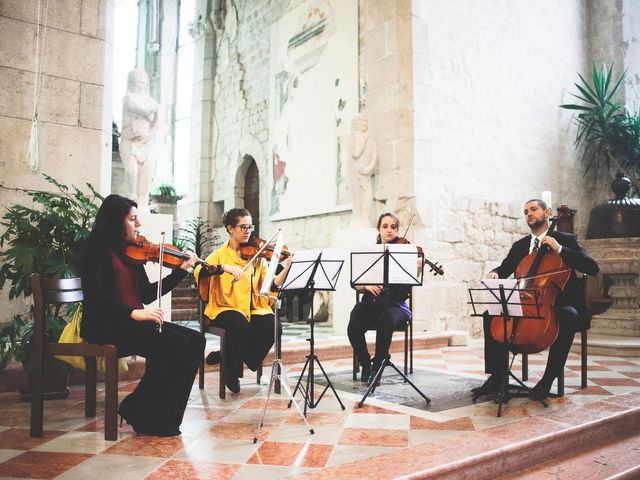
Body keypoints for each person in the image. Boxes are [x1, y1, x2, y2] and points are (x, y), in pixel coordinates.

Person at [80, 194, 205, 437]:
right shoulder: (94, 247)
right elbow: (94, 294)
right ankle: (141, 409)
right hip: (108, 325)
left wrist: (180, 272)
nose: (138, 225)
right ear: (115, 221)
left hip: (132, 323)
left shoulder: (131, 251)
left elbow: (146, 293)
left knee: (196, 341)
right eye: (132, 219)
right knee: (175, 343)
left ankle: (161, 415)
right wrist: (133, 313)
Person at [474, 199, 599, 400]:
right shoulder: (521, 246)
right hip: (528, 303)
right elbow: (504, 268)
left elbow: (592, 268)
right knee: (491, 314)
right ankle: (497, 376)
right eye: (526, 211)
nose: (529, 214)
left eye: (533, 209)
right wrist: (494, 273)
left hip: (560, 304)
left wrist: (560, 249)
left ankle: (547, 380)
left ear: (547, 212)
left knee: (567, 316)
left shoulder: (565, 240)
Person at [195, 208, 291, 393]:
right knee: (240, 326)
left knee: (273, 325)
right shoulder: (220, 255)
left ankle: (229, 356)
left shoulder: (258, 257)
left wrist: (286, 270)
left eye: (250, 226)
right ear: (230, 228)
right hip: (224, 308)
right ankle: (232, 373)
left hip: (252, 307)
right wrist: (224, 268)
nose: (248, 231)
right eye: (243, 227)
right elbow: (200, 270)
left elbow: (270, 286)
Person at [348, 212, 413, 382]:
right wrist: (366, 285)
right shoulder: (370, 253)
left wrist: (417, 268)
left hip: (396, 306)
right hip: (372, 304)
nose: (389, 230)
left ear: (398, 230)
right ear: (379, 229)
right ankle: (365, 363)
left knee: (387, 318)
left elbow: (408, 284)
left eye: (393, 227)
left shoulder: (403, 252)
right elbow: (354, 282)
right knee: (354, 323)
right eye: (385, 226)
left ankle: (378, 364)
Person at [119, 69, 158, 208]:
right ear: (131, 83)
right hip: (130, 140)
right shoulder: (129, 97)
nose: (141, 84)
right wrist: (152, 109)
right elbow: (140, 108)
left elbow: (156, 125)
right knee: (131, 171)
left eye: (143, 81)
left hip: (146, 143)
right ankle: (131, 202)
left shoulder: (152, 101)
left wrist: (149, 135)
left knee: (146, 176)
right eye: (137, 81)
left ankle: (142, 205)